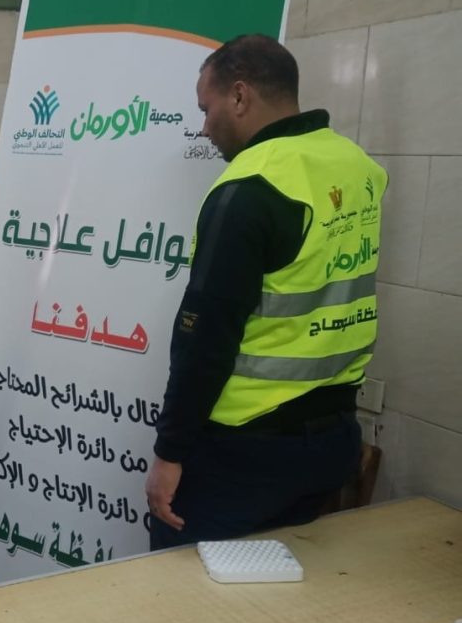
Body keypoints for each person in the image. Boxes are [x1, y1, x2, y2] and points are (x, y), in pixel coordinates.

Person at [145, 34, 387, 550]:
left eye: (206, 109)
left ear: (239, 96)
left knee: (180, 585)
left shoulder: (249, 189)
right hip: (332, 441)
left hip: (243, 453)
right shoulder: (358, 167)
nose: (204, 127)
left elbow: (205, 339)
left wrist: (170, 452)